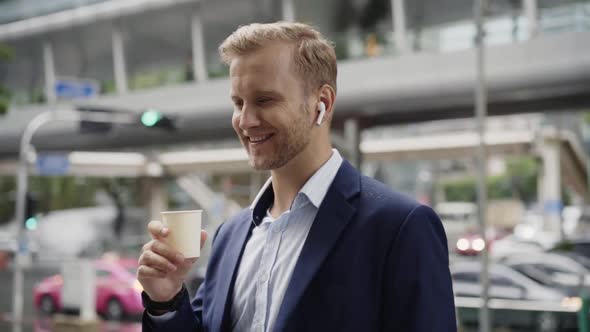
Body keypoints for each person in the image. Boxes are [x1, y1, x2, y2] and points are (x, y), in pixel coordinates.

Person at [138, 22, 456, 332]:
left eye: (264, 100)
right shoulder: (230, 235)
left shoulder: (399, 227)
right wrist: (165, 300)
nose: (245, 121)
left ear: (323, 102)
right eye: (238, 103)